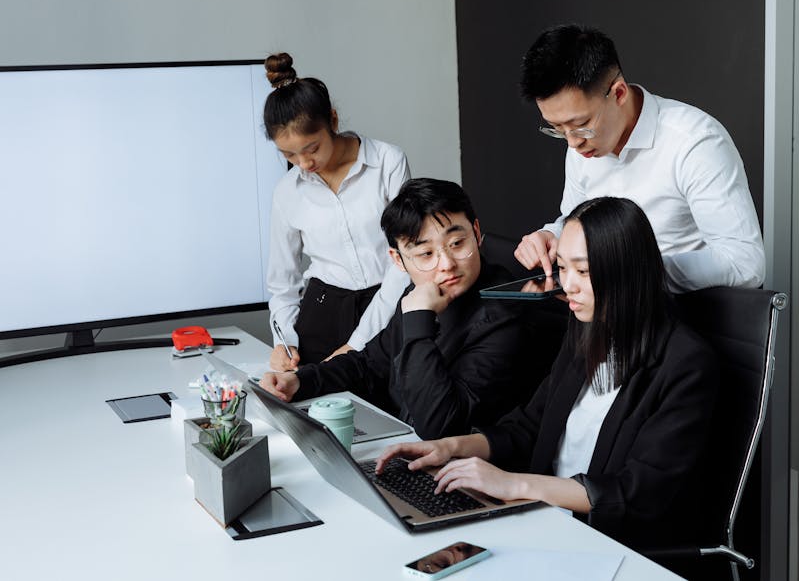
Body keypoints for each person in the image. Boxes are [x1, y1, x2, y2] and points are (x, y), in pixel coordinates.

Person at [376, 197, 720, 570]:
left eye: (584, 272)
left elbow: (639, 492)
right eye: (562, 268)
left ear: (628, 271)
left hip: (611, 543)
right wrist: (451, 447)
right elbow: (529, 425)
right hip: (543, 519)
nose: (567, 285)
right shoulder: (585, 328)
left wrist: (515, 485)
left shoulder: (685, 362)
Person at [260, 178, 544, 439]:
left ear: (477, 232)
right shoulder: (422, 292)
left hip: (463, 472)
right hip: (403, 446)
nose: (446, 264)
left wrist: (419, 320)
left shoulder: (507, 315)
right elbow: (370, 364)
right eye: (426, 254)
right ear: (398, 260)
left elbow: (439, 426)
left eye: (457, 243)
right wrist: (299, 381)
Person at [513, 24, 765, 292]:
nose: (572, 142)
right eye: (558, 128)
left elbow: (745, 263)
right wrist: (553, 235)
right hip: (606, 314)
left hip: (683, 317)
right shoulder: (581, 143)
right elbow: (576, 221)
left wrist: (636, 271)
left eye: (580, 124)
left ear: (619, 93)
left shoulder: (694, 142)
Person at [263, 52, 411, 371]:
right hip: (322, 312)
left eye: (311, 148)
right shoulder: (287, 192)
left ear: (332, 120)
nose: (303, 164)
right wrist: (284, 341)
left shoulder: (387, 162)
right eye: (288, 154)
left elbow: (406, 259)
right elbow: (282, 282)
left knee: (390, 407)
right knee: (315, 409)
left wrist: (357, 343)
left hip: (389, 302)